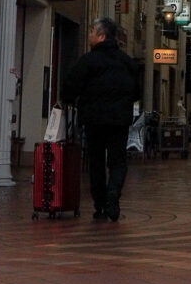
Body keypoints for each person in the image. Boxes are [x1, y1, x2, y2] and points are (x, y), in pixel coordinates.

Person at [60, 18, 143, 222]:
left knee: (96, 162)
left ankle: (100, 203)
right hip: (119, 121)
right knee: (117, 161)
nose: (89, 35)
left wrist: (71, 100)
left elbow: (70, 86)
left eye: (92, 32)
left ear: (102, 36)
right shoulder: (127, 62)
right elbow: (137, 92)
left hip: (94, 120)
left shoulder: (88, 61)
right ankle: (113, 193)